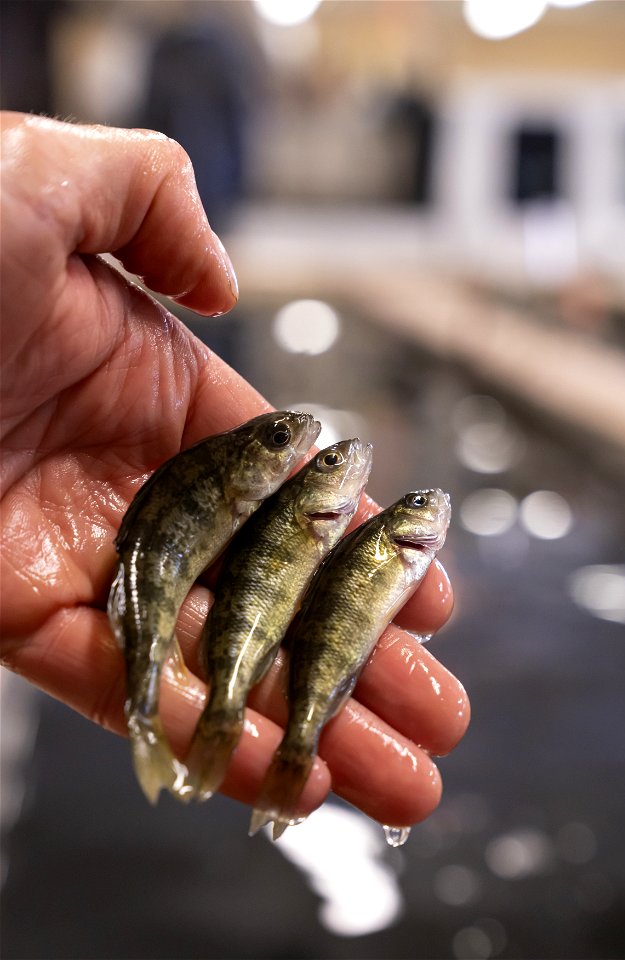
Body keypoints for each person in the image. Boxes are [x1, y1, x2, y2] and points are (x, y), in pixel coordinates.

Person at [0, 112, 469, 829]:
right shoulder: (239, 482)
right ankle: (164, 706)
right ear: (249, 470)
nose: (302, 445)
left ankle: (179, 711)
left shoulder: (262, 494)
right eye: (282, 442)